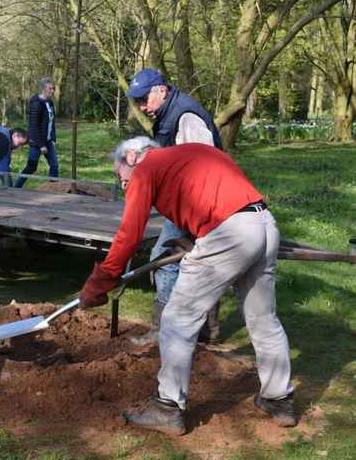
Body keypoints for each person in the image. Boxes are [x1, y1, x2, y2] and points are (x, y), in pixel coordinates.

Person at [78, 137, 295, 435]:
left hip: (229, 234)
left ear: (132, 156)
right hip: (264, 224)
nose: (124, 184)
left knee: (178, 321)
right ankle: (279, 399)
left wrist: (101, 279)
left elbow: (129, 234)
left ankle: (167, 407)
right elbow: (212, 196)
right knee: (264, 319)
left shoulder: (145, 168)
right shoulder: (193, 153)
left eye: (120, 176)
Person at [125, 68, 224, 346]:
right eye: (138, 102)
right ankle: (206, 330)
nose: (143, 107)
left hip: (196, 200)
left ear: (161, 90)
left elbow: (205, 163)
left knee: (164, 257)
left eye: (145, 100)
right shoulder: (170, 113)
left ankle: (163, 329)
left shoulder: (185, 116)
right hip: (190, 199)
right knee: (201, 260)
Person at [14, 77, 58, 188]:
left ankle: (53, 190)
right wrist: (41, 145)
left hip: (48, 141)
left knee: (54, 166)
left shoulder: (50, 102)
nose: (53, 91)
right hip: (37, 142)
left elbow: (51, 122)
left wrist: (52, 138)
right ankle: (15, 188)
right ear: (43, 89)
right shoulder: (36, 103)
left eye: (54, 88)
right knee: (31, 168)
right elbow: (33, 127)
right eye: (50, 89)